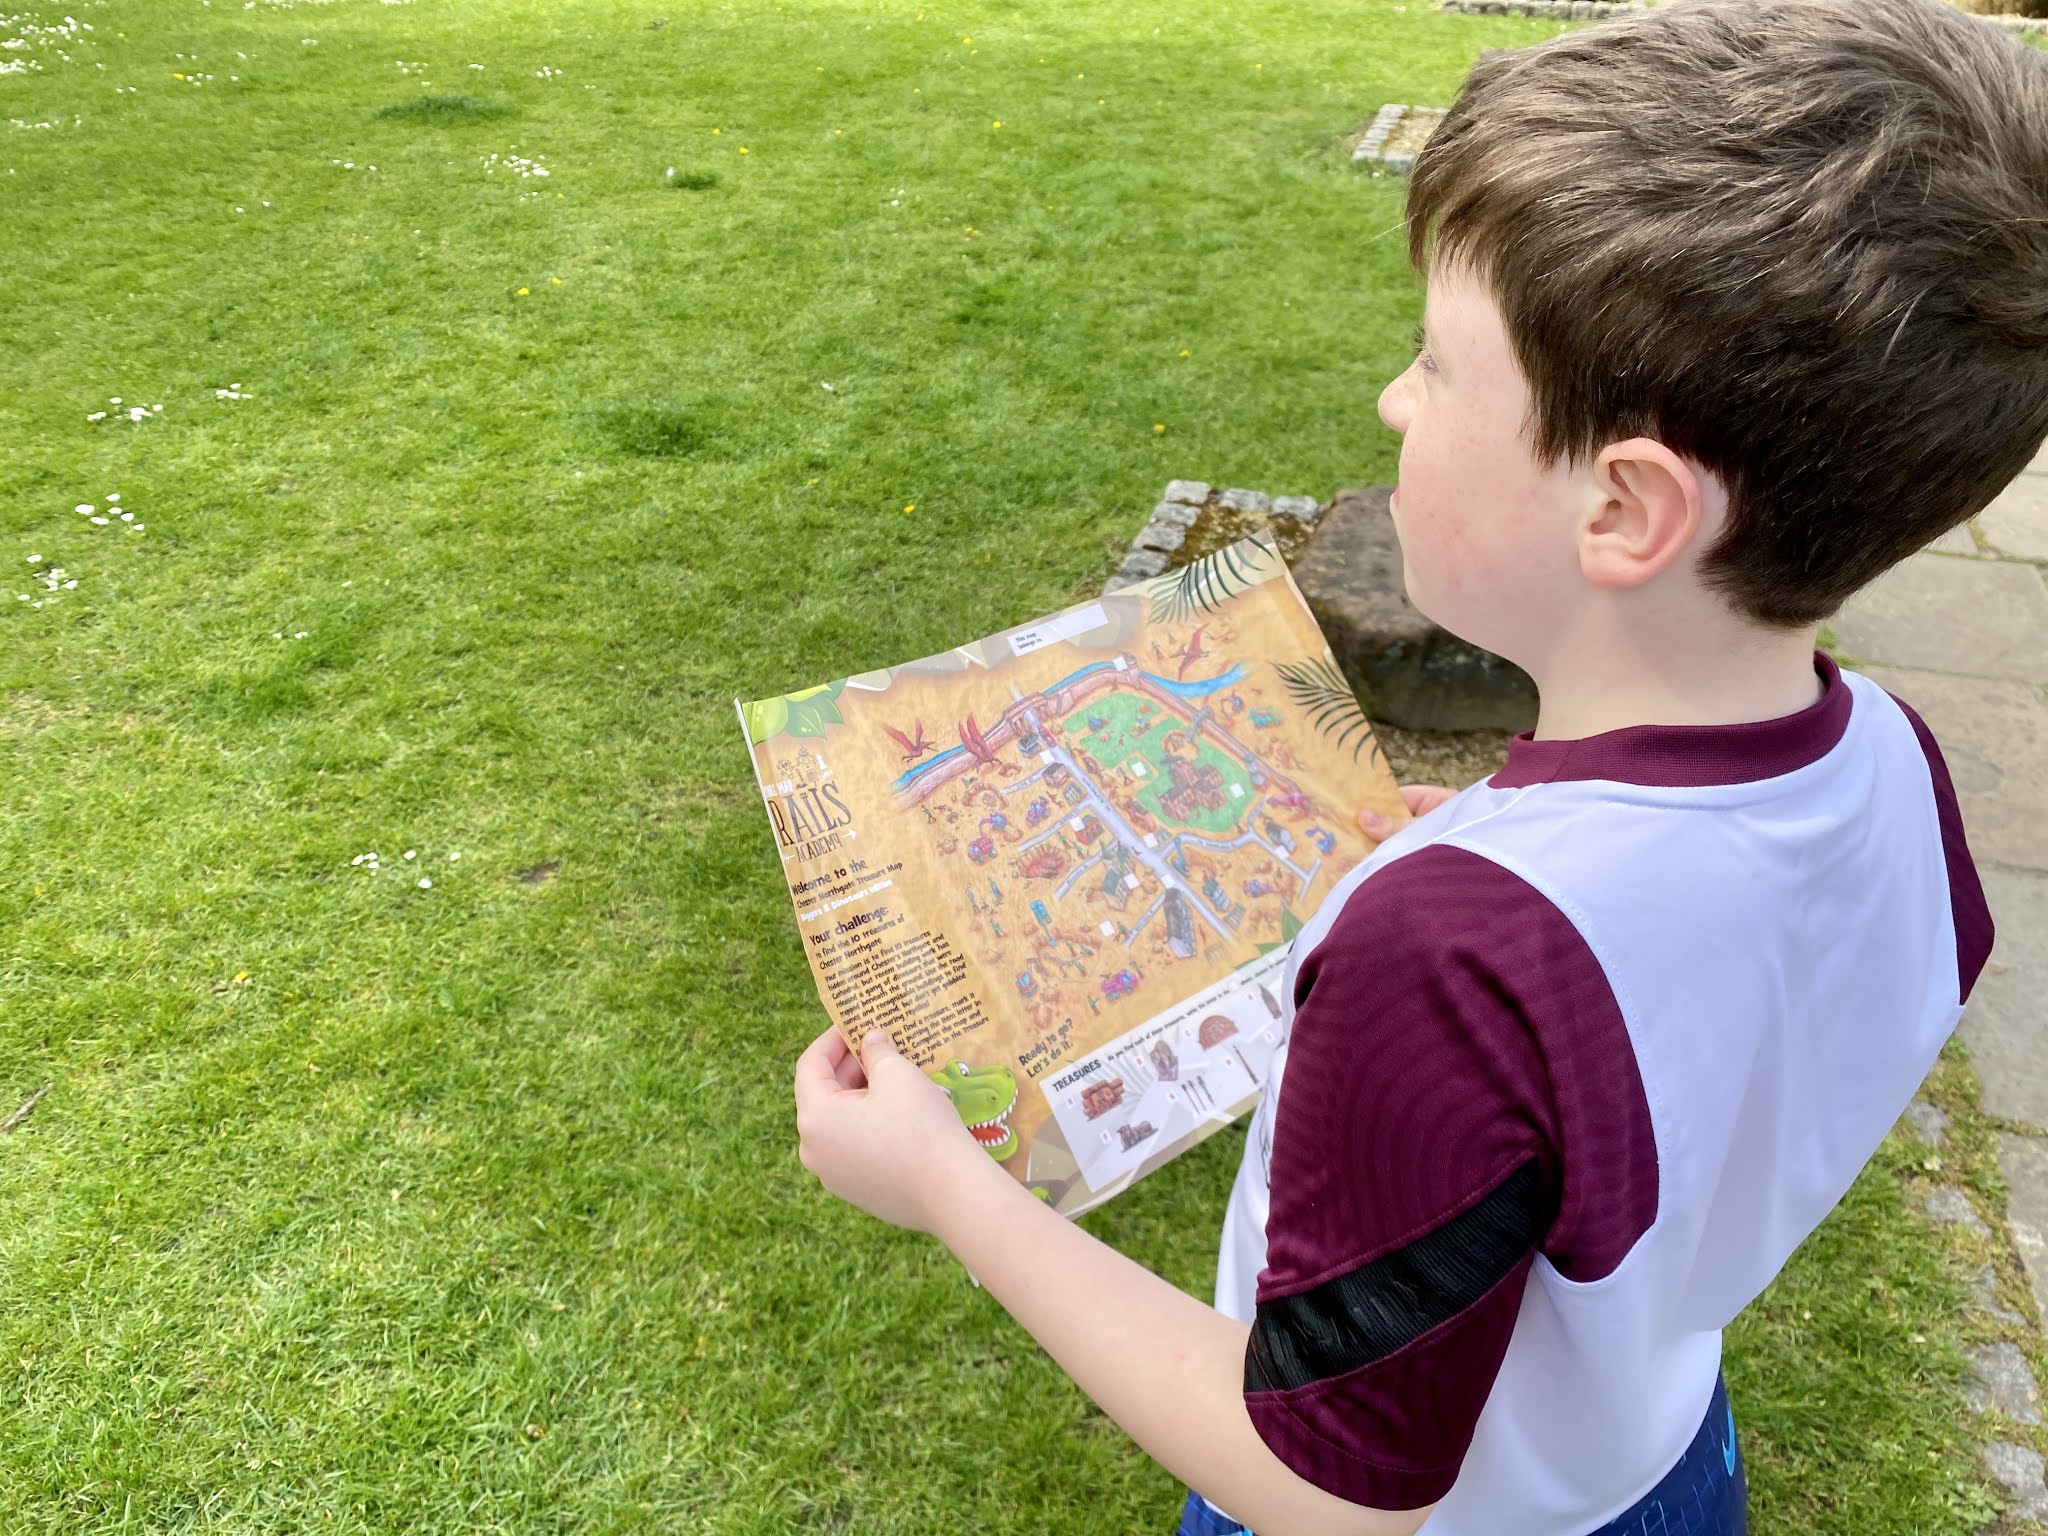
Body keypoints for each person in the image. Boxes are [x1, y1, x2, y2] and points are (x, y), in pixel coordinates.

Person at [790, 0, 2048, 1530]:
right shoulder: (1896, 770)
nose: (1395, 400)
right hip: (1661, 1461)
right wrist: (1488, 855)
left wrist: (943, 1185)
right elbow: (1716, 1022)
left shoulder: (1456, 956)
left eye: (1437, 367)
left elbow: (1329, 1483)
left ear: (1626, 512)